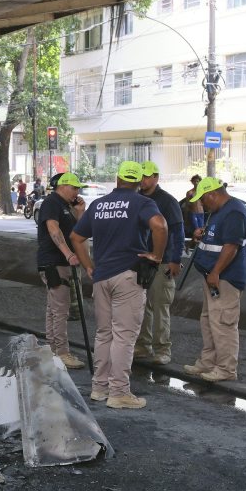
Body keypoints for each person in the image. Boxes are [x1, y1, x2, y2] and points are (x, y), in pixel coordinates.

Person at [70, 161, 167, 409]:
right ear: (138, 182)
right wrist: (157, 256)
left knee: (104, 334)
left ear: (118, 179)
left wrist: (88, 265)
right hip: (128, 276)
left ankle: (99, 388)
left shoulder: (99, 204)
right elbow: (160, 225)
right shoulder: (142, 203)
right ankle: (119, 392)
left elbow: (76, 237)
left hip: (101, 276)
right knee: (124, 336)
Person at [183, 177, 246, 382]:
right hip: (212, 276)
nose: (202, 204)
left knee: (223, 323)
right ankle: (208, 362)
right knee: (209, 320)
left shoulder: (234, 212)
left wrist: (216, 272)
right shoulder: (219, 211)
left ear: (213, 194)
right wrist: (202, 234)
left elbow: (231, 246)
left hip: (225, 278)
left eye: (203, 199)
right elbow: (219, 238)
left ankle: (226, 369)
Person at [134, 161, 185, 365]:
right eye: (141, 176)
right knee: (141, 306)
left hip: (162, 262)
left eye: (147, 176)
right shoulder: (136, 198)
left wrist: (175, 260)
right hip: (140, 261)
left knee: (160, 306)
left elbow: (178, 233)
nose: (143, 180)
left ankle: (163, 349)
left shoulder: (167, 201)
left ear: (156, 177)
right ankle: (143, 345)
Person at [36, 172, 88, 369]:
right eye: (74, 188)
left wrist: (80, 212)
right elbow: (53, 229)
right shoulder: (52, 203)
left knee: (54, 308)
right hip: (54, 262)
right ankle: (62, 352)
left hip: (58, 263)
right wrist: (68, 254)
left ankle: (52, 349)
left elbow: (77, 232)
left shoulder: (65, 206)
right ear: (63, 186)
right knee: (60, 309)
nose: (77, 192)